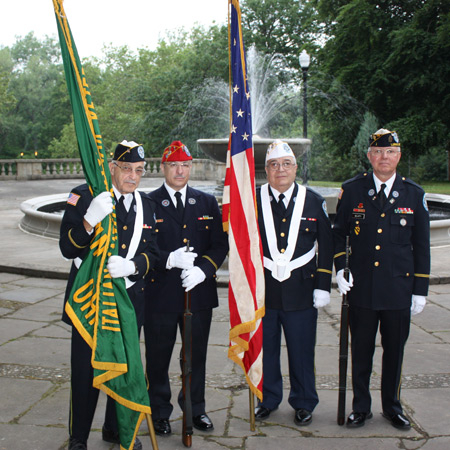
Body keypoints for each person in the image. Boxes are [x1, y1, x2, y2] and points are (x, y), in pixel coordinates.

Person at [60, 140, 159, 450]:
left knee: (125, 366)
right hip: (90, 301)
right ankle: (78, 437)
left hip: (129, 301)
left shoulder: (148, 205)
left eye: (139, 171)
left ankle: (116, 430)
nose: (132, 176)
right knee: (85, 370)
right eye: (126, 169)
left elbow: (153, 254)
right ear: (112, 167)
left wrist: (132, 265)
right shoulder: (86, 195)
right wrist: (90, 220)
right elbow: (66, 248)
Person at [333, 129, 430, 429]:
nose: (383, 158)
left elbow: (422, 245)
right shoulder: (352, 191)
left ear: (398, 156)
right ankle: (361, 407)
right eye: (377, 152)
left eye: (389, 152)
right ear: (369, 156)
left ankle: (392, 406)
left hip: (398, 289)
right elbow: (339, 234)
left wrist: (420, 289)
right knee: (360, 352)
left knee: (395, 353)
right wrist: (341, 268)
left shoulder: (414, 194)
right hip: (361, 289)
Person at [144, 140, 228, 436]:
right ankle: (159, 413)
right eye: (174, 165)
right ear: (164, 168)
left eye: (185, 165)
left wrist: (203, 270)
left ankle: (196, 409)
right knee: (157, 357)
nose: (180, 171)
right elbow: (143, 248)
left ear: (190, 167)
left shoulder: (205, 202)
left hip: (198, 294)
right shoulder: (148, 202)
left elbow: (220, 245)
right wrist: (169, 259)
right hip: (160, 295)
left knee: (196, 358)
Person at [254, 140, 333, 426]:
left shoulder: (313, 200)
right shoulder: (253, 199)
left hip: (302, 289)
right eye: (274, 165)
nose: (280, 170)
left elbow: (326, 242)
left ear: (295, 168)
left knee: (301, 350)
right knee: (267, 350)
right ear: (266, 170)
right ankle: (268, 398)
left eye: (286, 164)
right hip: (265, 290)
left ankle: (303, 401)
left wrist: (324, 284)